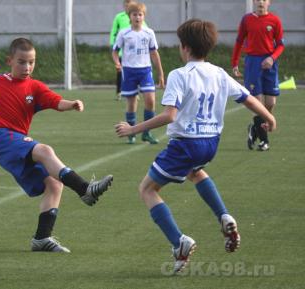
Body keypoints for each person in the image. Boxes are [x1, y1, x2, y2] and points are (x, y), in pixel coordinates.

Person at [115, 19, 276, 273]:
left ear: (185, 47)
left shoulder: (179, 75)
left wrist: (133, 129)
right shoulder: (219, 73)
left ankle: (179, 242)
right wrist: (269, 116)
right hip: (210, 142)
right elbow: (246, 98)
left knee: (147, 189)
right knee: (195, 171)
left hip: (185, 144)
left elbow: (170, 115)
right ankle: (224, 215)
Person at [0, 38, 113, 253]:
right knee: (45, 151)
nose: (27, 67)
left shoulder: (35, 87)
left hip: (16, 141)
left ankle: (42, 238)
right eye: (22, 62)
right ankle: (85, 189)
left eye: (31, 62)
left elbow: (56, 102)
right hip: (0, 138)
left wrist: (71, 104)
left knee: (54, 185)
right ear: (10, 61)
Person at [231, 0, 284, 151]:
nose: (261, 1)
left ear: (269, 2)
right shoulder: (247, 19)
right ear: (254, 2)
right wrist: (235, 63)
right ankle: (264, 141)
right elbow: (239, 41)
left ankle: (255, 128)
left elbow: (280, 44)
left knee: (271, 102)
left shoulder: (275, 20)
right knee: (258, 102)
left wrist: (272, 58)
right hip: (253, 63)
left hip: (269, 63)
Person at [112, 1, 164, 145]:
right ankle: (131, 133)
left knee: (150, 100)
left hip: (145, 70)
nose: (138, 17)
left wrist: (160, 73)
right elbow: (115, 51)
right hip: (129, 71)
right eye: (135, 14)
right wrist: (117, 62)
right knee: (131, 103)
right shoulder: (124, 33)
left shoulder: (149, 33)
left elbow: (154, 53)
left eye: (140, 15)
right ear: (130, 16)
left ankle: (147, 133)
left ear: (144, 16)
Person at [109, 0, 143, 101]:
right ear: (124, 5)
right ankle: (119, 92)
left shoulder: (138, 16)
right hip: (121, 50)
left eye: (130, 4)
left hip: (135, 51)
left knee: (135, 71)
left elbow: (144, 28)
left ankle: (135, 92)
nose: (128, 6)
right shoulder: (119, 17)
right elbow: (114, 31)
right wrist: (112, 44)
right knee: (120, 71)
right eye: (127, 4)